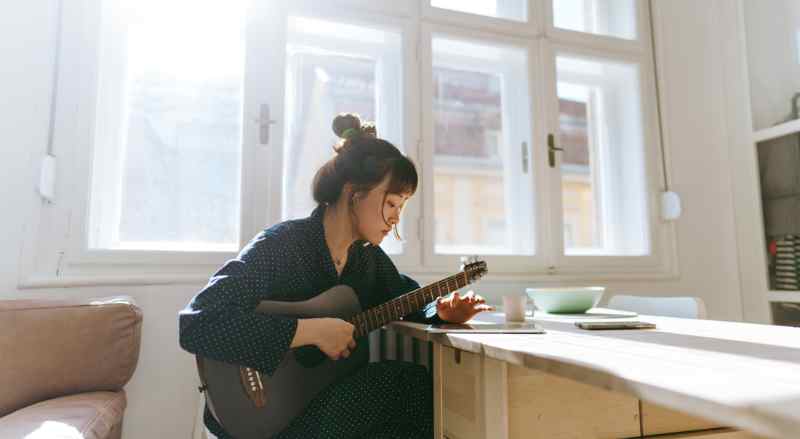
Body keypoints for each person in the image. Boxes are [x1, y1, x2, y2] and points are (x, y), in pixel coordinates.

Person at [179, 113, 493, 438]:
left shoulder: (366, 259)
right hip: (261, 420)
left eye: (402, 207)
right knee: (404, 384)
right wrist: (309, 331)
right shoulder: (281, 246)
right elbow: (195, 324)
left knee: (412, 391)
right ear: (355, 192)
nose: (396, 219)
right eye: (391, 203)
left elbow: (406, 298)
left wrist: (439, 311)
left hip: (312, 410)